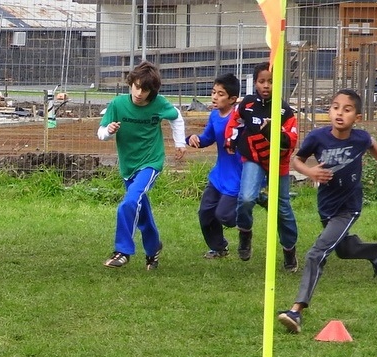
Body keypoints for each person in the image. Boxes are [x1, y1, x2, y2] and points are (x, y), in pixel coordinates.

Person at [277, 88, 377, 333]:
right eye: (335, 107)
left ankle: (296, 310)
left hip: (348, 207)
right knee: (343, 250)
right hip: (326, 207)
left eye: (347, 109)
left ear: (358, 117)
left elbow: (373, 145)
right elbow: (296, 160)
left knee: (316, 253)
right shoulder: (317, 137)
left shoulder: (360, 138)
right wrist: (310, 172)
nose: (339, 113)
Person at [98, 60, 186, 270]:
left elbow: (177, 117)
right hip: (128, 166)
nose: (139, 93)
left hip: (151, 162)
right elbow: (101, 134)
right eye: (137, 86)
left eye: (145, 90)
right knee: (141, 208)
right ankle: (153, 248)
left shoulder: (159, 103)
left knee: (129, 203)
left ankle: (122, 251)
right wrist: (109, 131)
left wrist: (180, 142)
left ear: (152, 91)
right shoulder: (118, 104)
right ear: (131, 83)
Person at [225, 61, 299, 271]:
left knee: (281, 208)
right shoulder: (247, 105)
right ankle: (245, 233)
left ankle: (289, 249)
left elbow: (290, 142)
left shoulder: (285, 111)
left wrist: (271, 131)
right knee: (247, 197)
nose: (266, 86)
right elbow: (235, 122)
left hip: (278, 162)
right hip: (253, 158)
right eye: (262, 81)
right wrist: (230, 140)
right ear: (255, 83)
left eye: (271, 81)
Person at [187, 72, 242, 259]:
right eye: (213, 92)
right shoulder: (214, 116)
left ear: (233, 99)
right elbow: (207, 138)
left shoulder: (240, 118)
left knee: (224, 216)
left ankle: (247, 215)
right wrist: (194, 139)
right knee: (205, 213)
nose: (214, 97)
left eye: (220, 94)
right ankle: (219, 248)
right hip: (219, 175)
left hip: (237, 176)